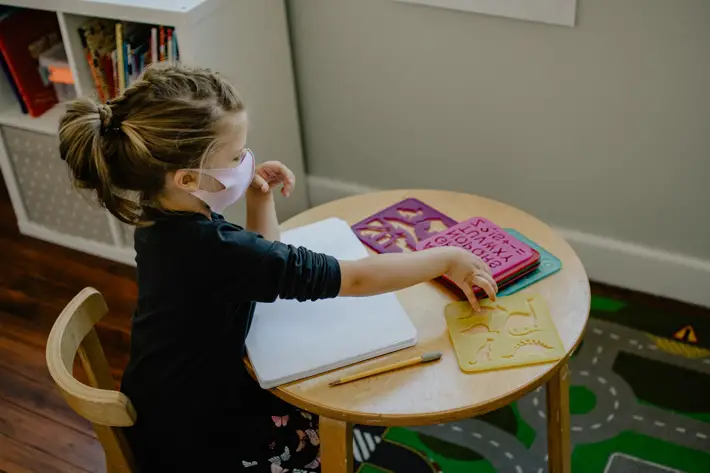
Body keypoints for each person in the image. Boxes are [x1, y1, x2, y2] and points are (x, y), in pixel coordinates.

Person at [58, 64, 497, 472]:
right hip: (200, 441)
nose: (245, 162)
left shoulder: (161, 216)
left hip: (168, 402)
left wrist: (257, 197)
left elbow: (258, 263)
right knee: (341, 414)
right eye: (235, 158)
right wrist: (446, 258)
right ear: (188, 179)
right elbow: (357, 278)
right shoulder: (212, 248)